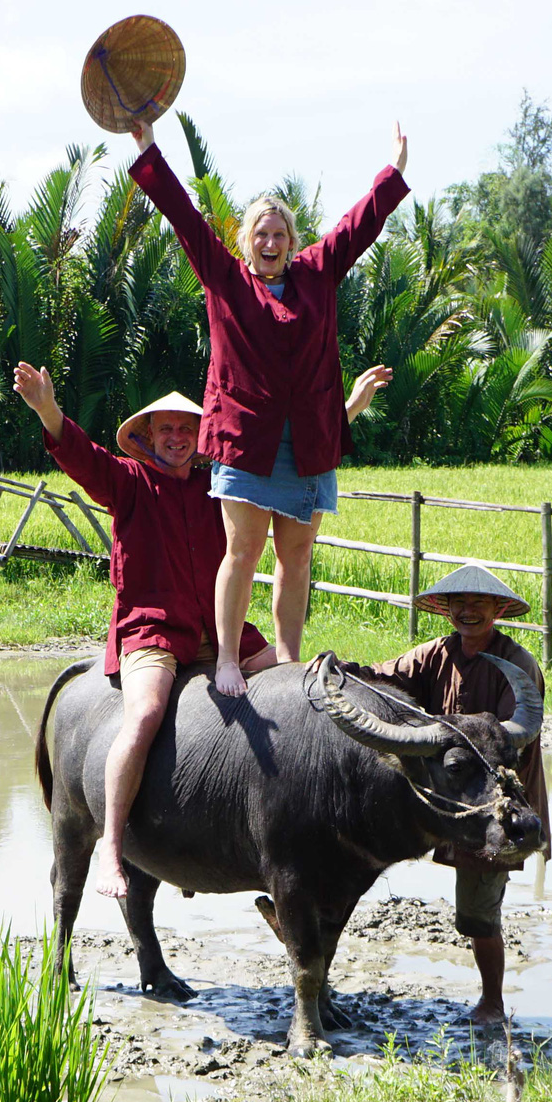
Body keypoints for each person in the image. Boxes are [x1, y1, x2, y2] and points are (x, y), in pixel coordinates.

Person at [14, 360, 390, 900]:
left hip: (220, 634)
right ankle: (113, 849)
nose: (177, 438)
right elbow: (82, 458)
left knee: (298, 679)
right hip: (153, 631)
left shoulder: (219, 489)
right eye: (165, 429)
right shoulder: (128, 482)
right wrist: (47, 409)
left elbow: (288, 454)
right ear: (145, 437)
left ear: (201, 437)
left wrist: (350, 408)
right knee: (143, 714)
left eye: (187, 429)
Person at [125, 114, 411, 697]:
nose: (271, 242)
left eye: (279, 233)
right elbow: (184, 217)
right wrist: (148, 148)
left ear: (292, 240)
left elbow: (357, 228)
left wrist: (393, 174)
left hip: (306, 446)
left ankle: (286, 658)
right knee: (242, 550)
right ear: (246, 242)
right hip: (246, 444)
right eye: (261, 233)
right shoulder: (227, 281)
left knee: (296, 557)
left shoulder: (316, 275)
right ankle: (228, 657)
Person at [353, 564, 550, 1025]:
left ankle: (492, 1004)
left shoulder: (518, 665)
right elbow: (384, 678)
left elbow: (508, 743)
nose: (467, 612)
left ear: (498, 610)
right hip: (449, 794)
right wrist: (342, 671)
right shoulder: (435, 654)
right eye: (457, 604)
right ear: (444, 609)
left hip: (494, 801)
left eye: (478, 604)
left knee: (478, 911)